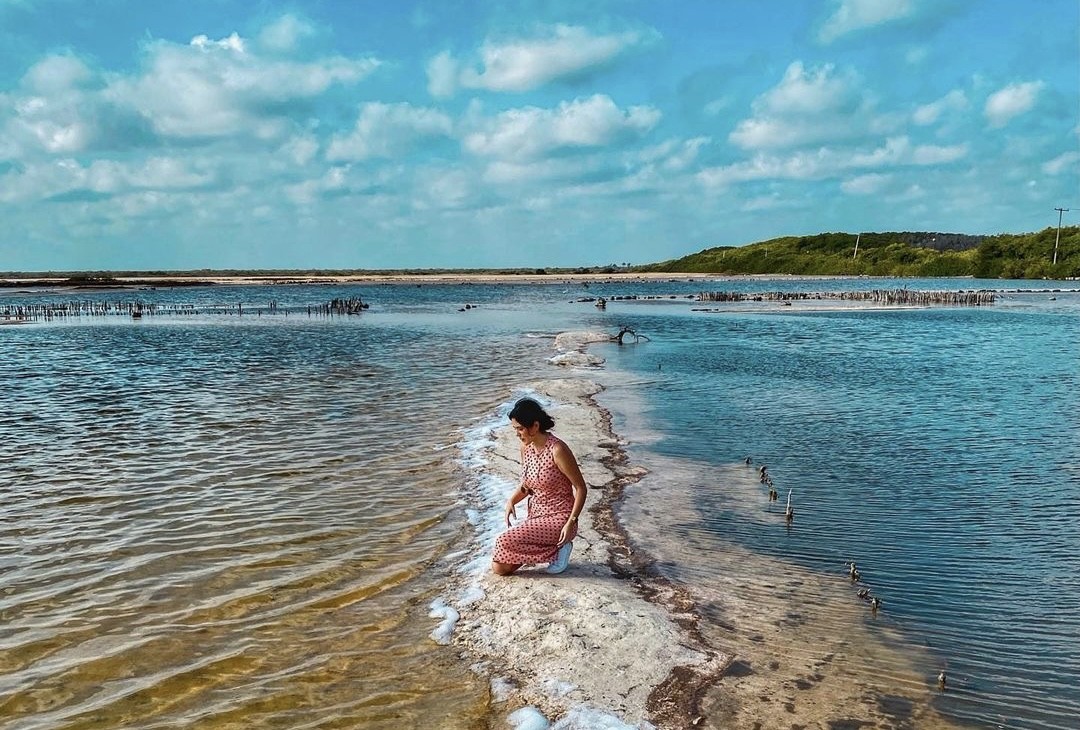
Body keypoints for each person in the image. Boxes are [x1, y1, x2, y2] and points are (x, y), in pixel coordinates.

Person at [491, 397, 588, 576]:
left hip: (560, 518)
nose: (517, 434)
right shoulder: (525, 448)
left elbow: (581, 488)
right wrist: (512, 500)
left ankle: (560, 547)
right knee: (500, 568)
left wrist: (570, 522)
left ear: (535, 426)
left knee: (503, 541)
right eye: (515, 429)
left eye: (520, 429)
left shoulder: (557, 450)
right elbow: (528, 486)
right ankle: (555, 549)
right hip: (536, 516)